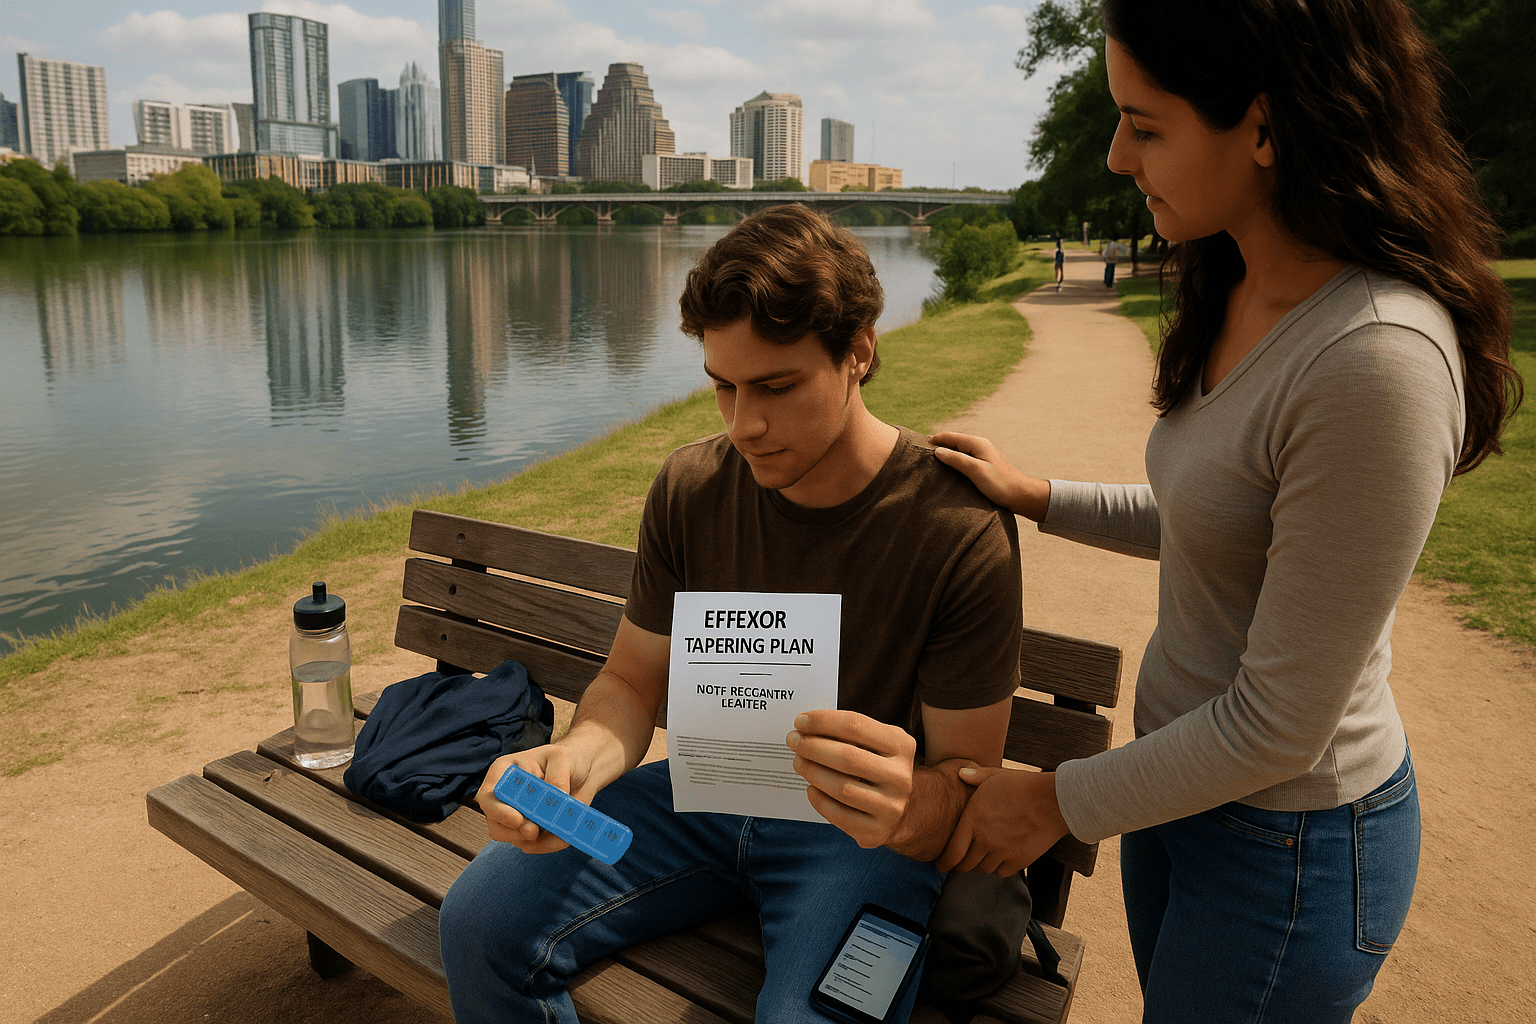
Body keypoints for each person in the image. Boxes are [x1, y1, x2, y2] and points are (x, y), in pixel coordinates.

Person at [930, 1, 1521, 1022]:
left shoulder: (1376, 358)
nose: (1117, 157)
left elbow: (1282, 725)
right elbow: (1222, 519)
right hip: (1182, 796)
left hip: (1285, 850)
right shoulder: (1240, 280)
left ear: (1262, 125)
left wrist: (1056, 800)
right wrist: (1038, 497)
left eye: (1146, 125)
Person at [438, 203, 1026, 1024]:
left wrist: (907, 798)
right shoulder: (690, 487)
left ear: (858, 352)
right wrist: (570, 759)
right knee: (475, 926)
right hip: (698, 798)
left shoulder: (955, 526)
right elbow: (632, 684)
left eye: (777, 387)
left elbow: (968, 784)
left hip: (857, 842)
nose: (744, 424)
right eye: (723, 386)